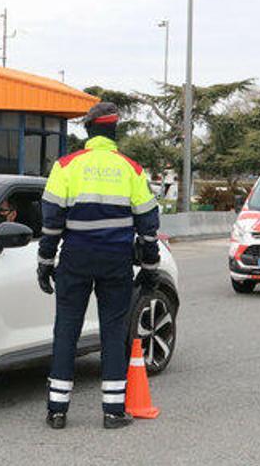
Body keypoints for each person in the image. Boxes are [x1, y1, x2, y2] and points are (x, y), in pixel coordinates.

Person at [37, 102, 160, 430]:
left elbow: (50, 221)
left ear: (88, 131)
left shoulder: (66, 166)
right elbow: (148, 225)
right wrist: (150, 266)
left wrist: (45, 262)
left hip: (75, 259)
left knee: (66, 329)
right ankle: (113, 411)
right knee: (113, 331)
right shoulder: (131, 169)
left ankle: (57, 410)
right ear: (113, 131)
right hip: (116, 262)